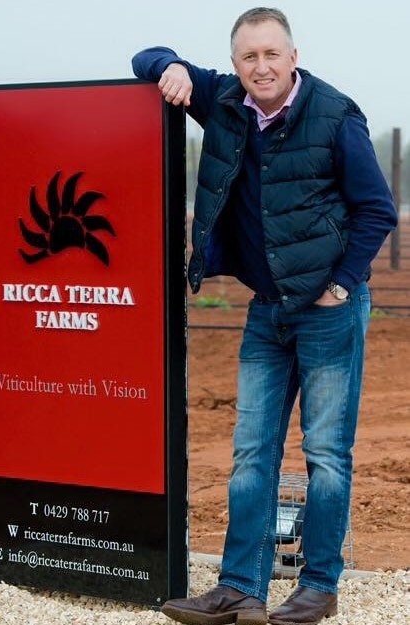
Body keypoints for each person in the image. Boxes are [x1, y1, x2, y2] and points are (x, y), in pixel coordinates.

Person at [133, 7, 398, 625]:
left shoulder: (335, 115)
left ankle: (319, 586)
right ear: (234, 65)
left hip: (329, 309)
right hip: (267, 309)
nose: (262, 67)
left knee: (327, 453)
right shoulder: (224, 100)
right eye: (249, 57)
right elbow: (144, 57)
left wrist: (340, 284)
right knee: (252, 452)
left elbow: (376, 209)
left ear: (293, 57)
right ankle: (239, 588)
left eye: (272, 55)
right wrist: (169, 66)